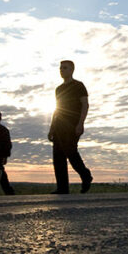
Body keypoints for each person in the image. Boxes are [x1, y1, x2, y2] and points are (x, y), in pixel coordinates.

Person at [48, 60, 93, 194]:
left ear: (71, 70)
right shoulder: (59, 89)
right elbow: (57, 109)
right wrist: (51, 128)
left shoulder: (78, 86)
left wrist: (81, 123)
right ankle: (62, 188)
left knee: (71, 152)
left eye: (65, 68)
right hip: (59, 126)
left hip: (72, 125)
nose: (62, 70)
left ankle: (85, 175)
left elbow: (85, 105)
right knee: (58, 157)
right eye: (60, 68)